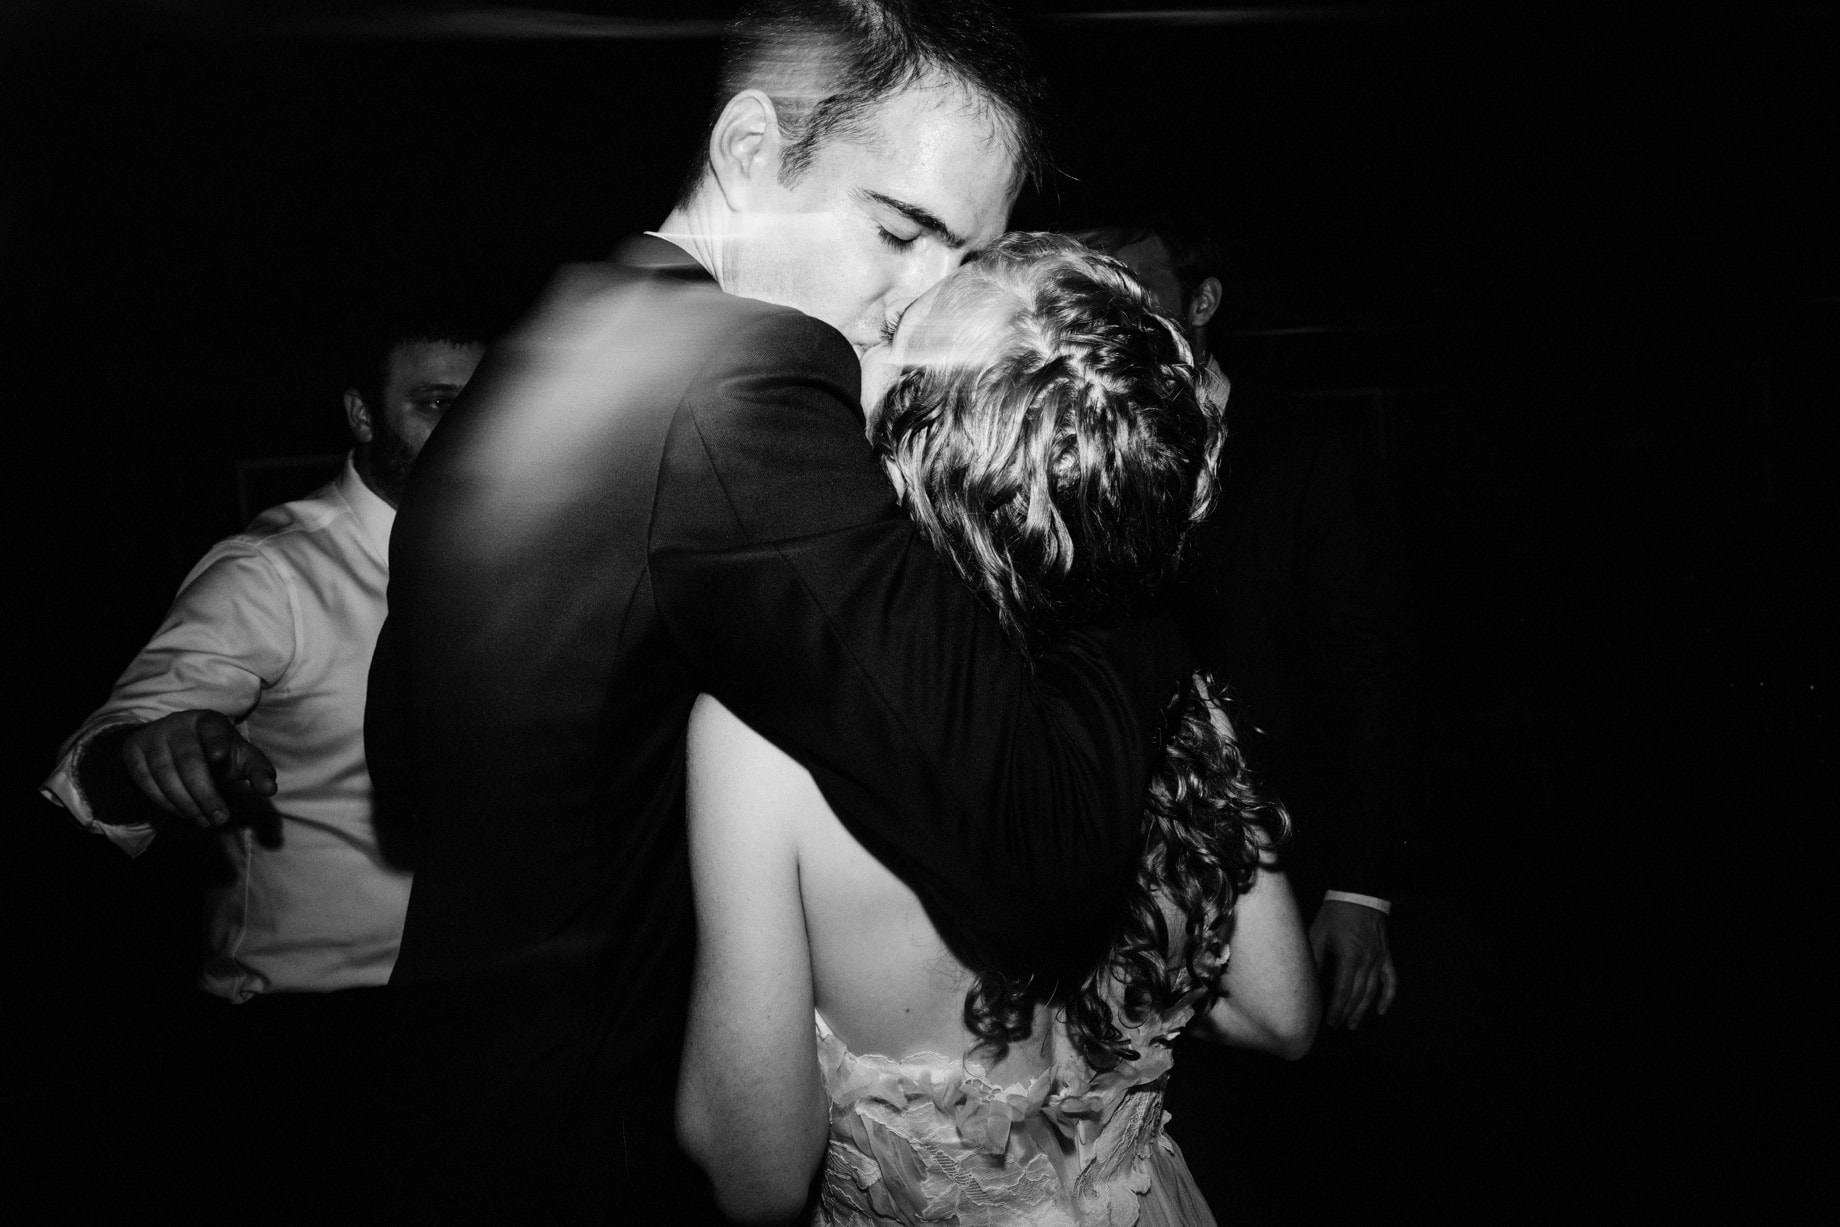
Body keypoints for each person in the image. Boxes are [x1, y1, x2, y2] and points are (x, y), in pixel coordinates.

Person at [364, 3, 1197, 1220]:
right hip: (604, 1151)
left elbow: (408, 765)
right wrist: (1134, 540)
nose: (924, 303)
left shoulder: (553, 343)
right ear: (752, 152)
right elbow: (1045, 846)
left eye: (965, 261)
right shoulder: (745, 382)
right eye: (901, 230)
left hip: (472, 1094)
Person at [677, 233, 1319, 1226]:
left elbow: (755, 1172)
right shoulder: (1166, 695)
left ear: (915, 446)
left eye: (899, 341)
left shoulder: (762, 735)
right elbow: (1279, 1015)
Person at [38, 306, 486, 1211]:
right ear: (362, 416)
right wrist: (150, 752)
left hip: (484, 1014)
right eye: (435, 403)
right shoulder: (274, 571)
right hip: (311, 1038)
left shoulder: (521, 551)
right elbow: (102, 756)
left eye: (487, 402)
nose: (469, 430)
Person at [1075, 218, 1411, 1030]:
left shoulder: (1306, 449)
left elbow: (1368, 670)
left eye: (1136, 290)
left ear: (1203, 301)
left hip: (1284, 859)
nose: (1113, 314)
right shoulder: (1078, 439)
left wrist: (1357, 890)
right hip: (1119, 879)